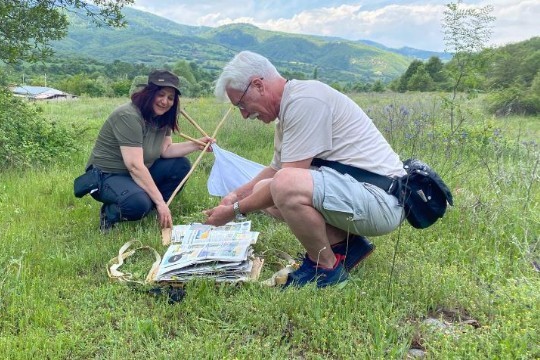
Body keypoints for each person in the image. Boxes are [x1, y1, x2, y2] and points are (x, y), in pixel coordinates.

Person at [204, 51, 406, 288]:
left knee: (283, 186)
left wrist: (234, 211)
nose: (245, 114)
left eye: (242, 104)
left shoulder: (305, 101)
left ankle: (326, 269)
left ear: (258, 85)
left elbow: (286, 182)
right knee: (264, 187)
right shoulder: (291, 105)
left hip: (381, 202)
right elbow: (274, 170)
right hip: (363, 194)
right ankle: (346, 246)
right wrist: (235, 195)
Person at [86, 69, 213, 231]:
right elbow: (134, 165)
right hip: (106, 176)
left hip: (135, 173)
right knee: (137, 204)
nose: (165, 102)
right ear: (149, 93)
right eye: (161, 94)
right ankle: (110, 213)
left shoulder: (163, 118)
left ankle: (152, 210)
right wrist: (160, 201)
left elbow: (165, 151)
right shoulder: (128, 115)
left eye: (170, 98)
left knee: (180, 165)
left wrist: (197, 145)